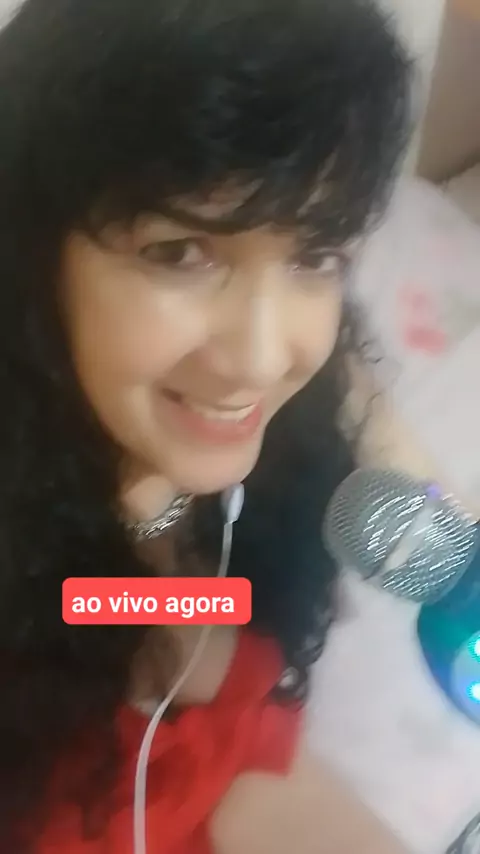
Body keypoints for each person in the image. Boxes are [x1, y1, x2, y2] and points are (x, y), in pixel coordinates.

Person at [0, 0, 412, 851]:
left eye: (315, 254)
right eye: (178, 252)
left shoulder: (310, 406)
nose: (261, 359)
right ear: (33, 256)